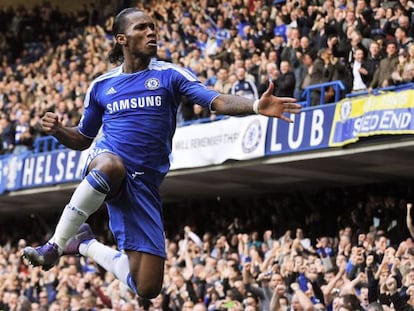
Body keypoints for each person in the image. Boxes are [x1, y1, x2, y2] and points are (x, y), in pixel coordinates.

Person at [21, 7, 300, 301]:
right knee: (111, 165)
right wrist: (59, 131)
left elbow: (215, 101)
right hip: (108, 167)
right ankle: (54, 245)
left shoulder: (170, 75)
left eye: (152, 27)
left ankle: (85, 244)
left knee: (147, 287)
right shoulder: (101, 86)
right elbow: (83, 138)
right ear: (122, 39)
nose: (151, 32)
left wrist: (256, 106)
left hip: (145, 187)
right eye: (141, 28)